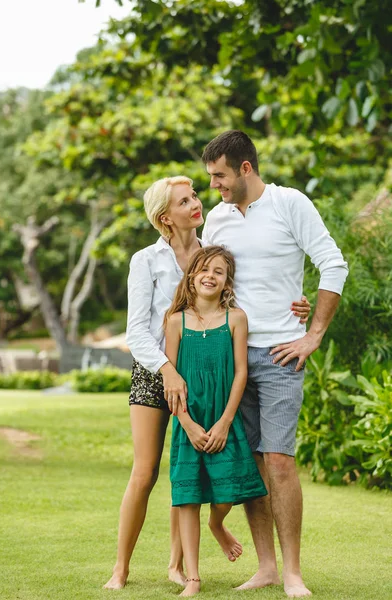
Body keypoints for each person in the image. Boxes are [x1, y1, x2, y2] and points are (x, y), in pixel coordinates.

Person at [104, 175, 311, 590]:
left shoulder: (214, 252)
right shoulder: (145, 260)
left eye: (195, 195)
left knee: (193, 466)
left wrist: (297, 305)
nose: (197, 203)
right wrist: (167, 371)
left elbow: (247, 292)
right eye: (185, 200)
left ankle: (177, 566)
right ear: (165, 217)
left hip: (203, 376)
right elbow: (137, 333)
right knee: (144, 473)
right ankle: (120, 568)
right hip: (155, 372)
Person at [201, 130, 349, 598]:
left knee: (280, 462)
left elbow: (333, 263)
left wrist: (314, 333)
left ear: (246, 168)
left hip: (282, 354)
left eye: (220, 176)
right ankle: (265, 567)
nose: (215, 187)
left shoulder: (290, 204)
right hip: (232, 354)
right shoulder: (217, 221)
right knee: (252, 464)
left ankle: (293, 573)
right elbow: (209, 285)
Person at [165, 245, 267, 597]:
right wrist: (188, 423)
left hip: (224, 420)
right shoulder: (175, 320)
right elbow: (171, 379)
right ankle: (193, 577)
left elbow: (241, 374)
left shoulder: (235, 318)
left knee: (228, 492)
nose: (210, 275)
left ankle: (217, 523)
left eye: (219, 271)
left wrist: (224, 422)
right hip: (188, 422)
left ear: (227, 282)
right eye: (204, 269)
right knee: (187, 498)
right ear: (192, 276)